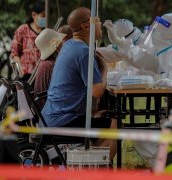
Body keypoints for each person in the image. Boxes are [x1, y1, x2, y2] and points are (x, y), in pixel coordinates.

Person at [104, 13, 172, 166]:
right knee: (140, 128)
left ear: (166, 32)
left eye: (157, 30)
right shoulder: (169, 51)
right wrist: (121, 44)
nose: (153, 33)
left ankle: (168, 168)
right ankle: (167, 167)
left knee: (141, 131)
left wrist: (157, 83)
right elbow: (144, 61)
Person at [41, 7, 116, 160]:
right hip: (62, 121)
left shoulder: (69, 45)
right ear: (86, 25)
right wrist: (104, 68)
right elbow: (97, 92)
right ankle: (95, 170)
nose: (100, 22)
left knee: (102, 121)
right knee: (115, 125)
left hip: (52, 117)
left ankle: (88, 164)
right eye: (97, 19)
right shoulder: (83, 52)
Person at [10, 0, 46, 80]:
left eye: (47, 16)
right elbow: (14, 53)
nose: (45, 19)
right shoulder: (23, 30)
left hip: (41, 76)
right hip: (25, 75)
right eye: (43, 16)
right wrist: (20, 71)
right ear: (34, 15)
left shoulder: (47, 32)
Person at [33, 28, 68, 109]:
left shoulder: (46, 64)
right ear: (57, 45)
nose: (63, 43)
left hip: (46, 113)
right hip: (53, 114)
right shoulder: (52, 66)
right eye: (61, 41)